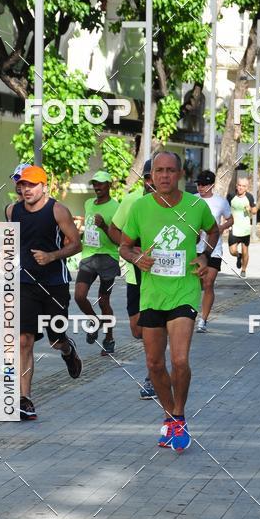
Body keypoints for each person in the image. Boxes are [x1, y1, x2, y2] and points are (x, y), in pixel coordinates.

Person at [119, 151, 219, 452]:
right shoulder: (140, 208)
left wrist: (204, 255)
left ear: (179, 175)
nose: (164, 176)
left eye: (170, 171)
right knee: (154, 364)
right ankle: (169, 414)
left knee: (179, 360)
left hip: (184, 291)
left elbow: (213, 231)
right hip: (151, 295)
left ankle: (179, 414)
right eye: (158, 171)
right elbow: (124, 246)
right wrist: (137, 256)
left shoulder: (195, 206)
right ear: (150, 177)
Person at [6, 165, 83, 421]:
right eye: (23, 185)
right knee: (23, 340)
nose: (26, 189)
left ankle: (67, 350)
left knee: (54, 339)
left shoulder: (57, 210)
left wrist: (52, 256)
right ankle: (24, 399)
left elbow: (75, 244)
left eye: (31, 185)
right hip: (25, 283)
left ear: (44, 186)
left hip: (54, 284)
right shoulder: (11, 211)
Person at [108, 162, 156, 398]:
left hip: (162, 278)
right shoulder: (132, 200)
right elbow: (114, 229)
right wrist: (131, 248)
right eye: (147, 177)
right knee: (137, 330)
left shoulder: (175, 203)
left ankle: (152, 376)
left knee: (153, 328)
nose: (151, 182)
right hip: (135, 274)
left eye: (155, 176)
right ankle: (156, 366)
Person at [74, 171, 120, 356]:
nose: (97, 187)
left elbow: (119, 239)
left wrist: (104, 226)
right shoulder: (88, 203)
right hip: (89, 255)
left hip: (108, 258)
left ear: (109, 185)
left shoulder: (116, 207)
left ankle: (109, 338)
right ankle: (94, 322)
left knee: (103, 300)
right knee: (79, 296)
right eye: (95, 183)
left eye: (101, 184)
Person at [194, 170, 233, 332]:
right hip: (195, 248)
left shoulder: (221, 202)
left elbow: (230, 219)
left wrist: (221, 227)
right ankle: (190, 314)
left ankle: (203, 320)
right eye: (199, 184)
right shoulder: (192, 200)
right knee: (197, 284)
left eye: (204, 184)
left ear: (212, 185)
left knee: (209, 283)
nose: (200, 187)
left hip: (214, 248)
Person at [226, 176, 257, 277]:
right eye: (239, 185)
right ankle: (238, 256)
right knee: (232, 251)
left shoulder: (249, 197)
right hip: (234, 228)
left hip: (245, 228)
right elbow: (225, 209)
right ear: (236, 185)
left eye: (243, 186)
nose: (240, 188)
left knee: (245, 250)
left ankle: (243, 270)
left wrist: (250, 209)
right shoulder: (231, 195)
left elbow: (255, 210)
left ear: (247, 187)